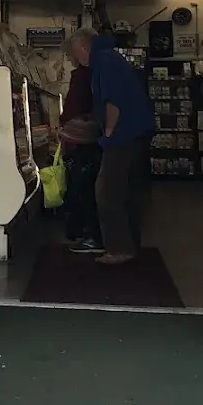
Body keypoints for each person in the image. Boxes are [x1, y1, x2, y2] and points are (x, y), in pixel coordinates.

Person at [66, 28, 155, 265]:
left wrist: (108, 132)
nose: (76, 58)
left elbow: (113, 101)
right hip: (137, 132)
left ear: (83, 47)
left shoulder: (104, 62)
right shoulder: (111, 57)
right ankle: (130, 246)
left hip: (123, 136)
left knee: (107, 192)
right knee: (128, 193)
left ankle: (118, 249)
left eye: (75, 53)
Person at [59, 43, 102, 253]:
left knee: (83, 188)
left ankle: (90, 236)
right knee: (88, 188)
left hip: (83, 140)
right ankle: (91, 234)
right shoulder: (95, 74)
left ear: (81, 50)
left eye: (70, 53)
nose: (69, 58)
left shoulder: (82, 76)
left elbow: (73, 108)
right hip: (93, 138)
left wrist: (65, 128)